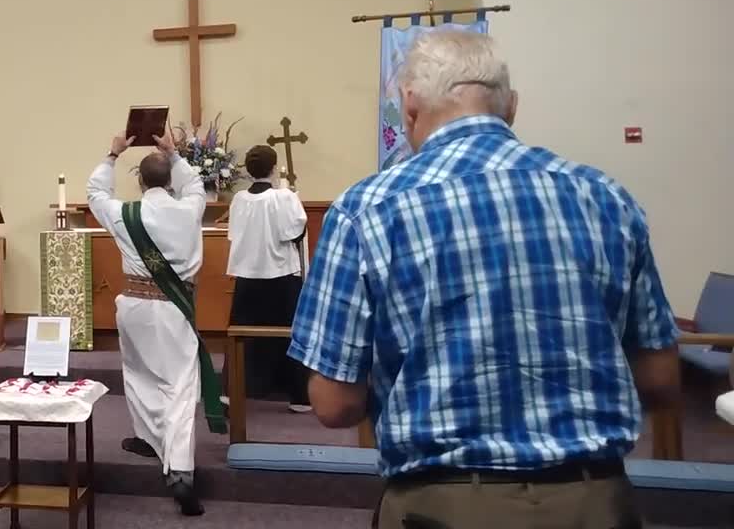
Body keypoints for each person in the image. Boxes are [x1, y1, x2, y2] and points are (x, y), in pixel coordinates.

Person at [288, 30, 679, 529]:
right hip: (594, 500)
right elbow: (661, 380)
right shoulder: (605, 197)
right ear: (510, 107)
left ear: (409, 105)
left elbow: (335, 403)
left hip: (441, 506)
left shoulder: (366, 210)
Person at [87, 129, 226, 517]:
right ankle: (179, 471)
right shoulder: (190, 207)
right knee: (179, 386)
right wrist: (175, 154)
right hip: (171, 307)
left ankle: (149, 438)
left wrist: (112, 154)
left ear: (141, 181)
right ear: (168, 181)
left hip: (133, 305)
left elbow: (96, 194)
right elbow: (196, 184)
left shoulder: (124, 213)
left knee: (139, 372)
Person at [224, 144, 310, 412]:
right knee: (290, 334)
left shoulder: (238, 199)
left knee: (242, 334)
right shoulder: (284, 198)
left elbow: (234, 236)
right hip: (281, 275)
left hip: (248, 276)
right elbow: (295, 232)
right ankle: (298, 396)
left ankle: (232, 391)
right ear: (274, 169)